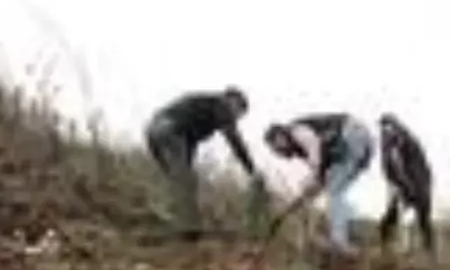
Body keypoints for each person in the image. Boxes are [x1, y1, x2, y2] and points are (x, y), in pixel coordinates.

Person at [144, 87, 263, 238]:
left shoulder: (203, 109)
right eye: (239, 111)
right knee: (185, 180)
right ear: (231, 100)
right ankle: (188, 228)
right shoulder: (221, 105)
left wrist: (188, 167)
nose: (236, 118)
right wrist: (251, 170)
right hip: (168, 129)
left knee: (180, 180)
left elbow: (190, 142)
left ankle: (175, 218)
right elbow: (235, 140)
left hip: (154, 131)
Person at [264, 113, 374, 252]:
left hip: (352, 134)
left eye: (275, 147)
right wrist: (289, 210)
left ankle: (339, 242)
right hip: (355, 147)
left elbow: (314, 148)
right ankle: (349, 237)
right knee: (336, 191)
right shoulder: (310, 150)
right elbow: (317, 183)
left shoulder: (296, 130)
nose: (278, 153)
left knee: (335, 191)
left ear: (279, 137)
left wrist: (312, 177)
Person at [379, 113, 435, 254]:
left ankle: (401, 248)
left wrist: (402, 185)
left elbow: (392, 164)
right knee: (420, 219)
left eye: (385, 126)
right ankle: (427, 250)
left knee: (413, 217)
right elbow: (391, 165)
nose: (383, 130)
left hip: (413, 182)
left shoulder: (395, 138)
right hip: (418, 182)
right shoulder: (405, 136)